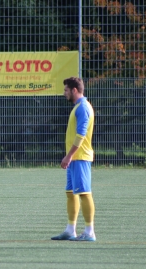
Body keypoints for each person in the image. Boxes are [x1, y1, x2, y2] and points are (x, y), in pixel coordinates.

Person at [51, 77, 96, 241]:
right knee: (70, 193)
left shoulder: (83, 107)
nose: (64, 93)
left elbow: (81, 135)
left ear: (74, 90)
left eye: (66, 90)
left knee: (84, 193)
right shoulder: (78, 106)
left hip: (80, 157)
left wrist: (69, 156)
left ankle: (90, 232)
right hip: (74, 159)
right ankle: (71, 230)